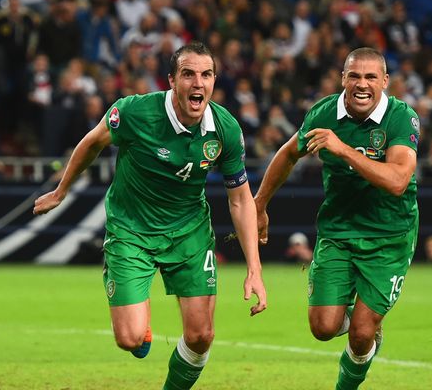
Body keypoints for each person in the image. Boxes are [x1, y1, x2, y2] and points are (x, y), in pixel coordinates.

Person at [33, 42, 267, 390]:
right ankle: (137, 320)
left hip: (189, 232)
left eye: (206, 75)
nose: (197, 83)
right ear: (172, 80)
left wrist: (254, 268)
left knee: (201, 335)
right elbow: (93, 141)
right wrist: (61, 190)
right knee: (129, 339)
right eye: (188, 74)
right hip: (131, 230)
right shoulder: (134, 112)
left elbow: (240, 200)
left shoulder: (226, 129)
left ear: (215, 81)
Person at [254, 47, 419, 390]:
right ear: (343, 78)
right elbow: (288, 153)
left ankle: (352, 370)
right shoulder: (324, 114)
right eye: (354, 76)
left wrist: (342, 148)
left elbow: (398, 180)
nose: (362, 84)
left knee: (360, 335)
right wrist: (259, 203)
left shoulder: (401, 117)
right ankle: (364, 323)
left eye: (371, 77)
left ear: (384, 82)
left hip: (390, 236)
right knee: (323, 327)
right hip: (339, 230)